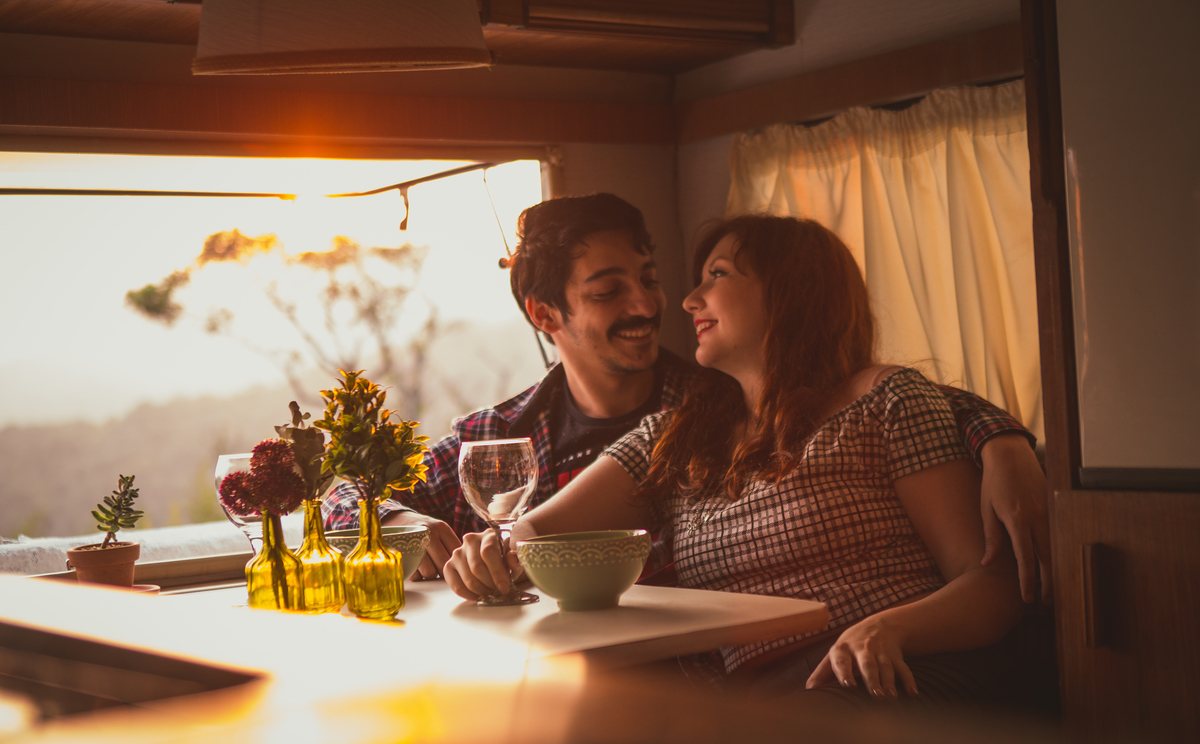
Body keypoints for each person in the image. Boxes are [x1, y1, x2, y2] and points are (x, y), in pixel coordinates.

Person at [324, 194, 1051, 603]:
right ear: (546, 315)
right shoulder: (498, 432)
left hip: (680, 680)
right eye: (610, 292)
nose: (648, 304)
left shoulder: (713, 400)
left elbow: (887, 401)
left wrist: (999, 434)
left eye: (648, 278)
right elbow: (342, 499)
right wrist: (399, 523)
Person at [444, 215, 1026, 702]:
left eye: (716, 277)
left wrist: (889, 628)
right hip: (755, 703)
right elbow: (535, 531)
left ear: (790, 290)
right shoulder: (675, 435)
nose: (688, 300)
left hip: (884, 677)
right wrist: (489, 553)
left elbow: (991, 585)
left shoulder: (888, 401)